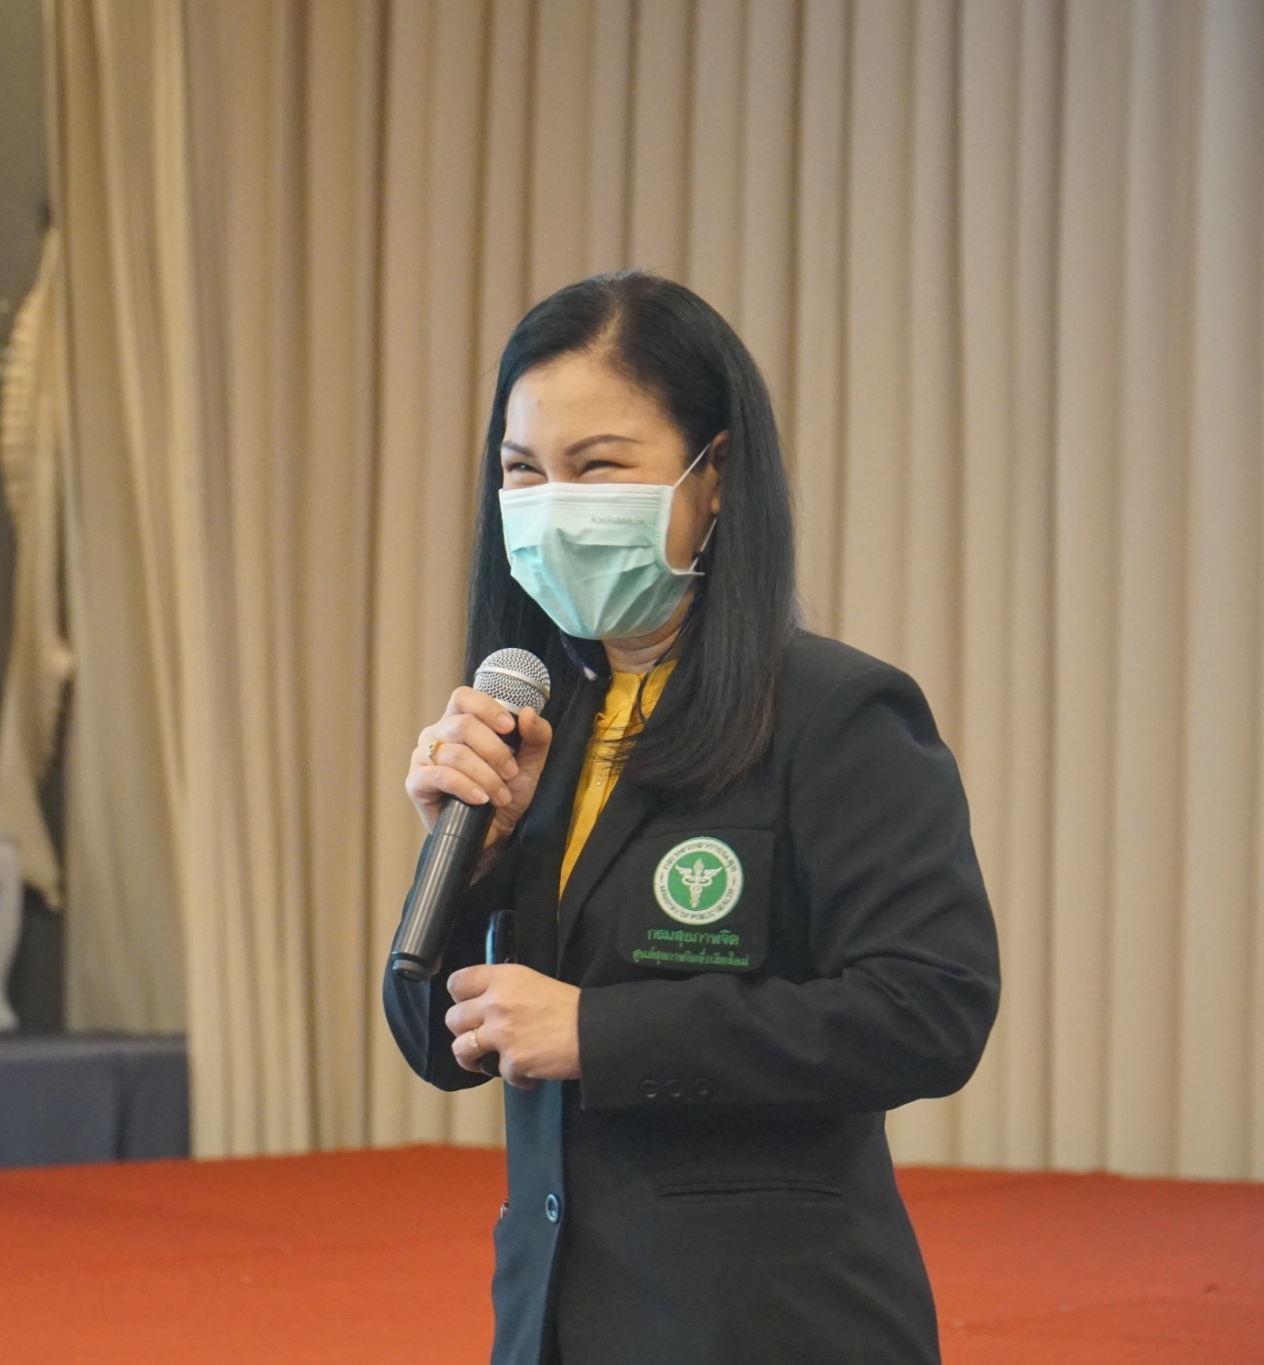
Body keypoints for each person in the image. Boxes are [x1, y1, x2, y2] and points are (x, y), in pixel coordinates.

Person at [383, 271, 1000, 1365]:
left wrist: (601, 1033)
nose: (553, 505)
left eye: (597, 467)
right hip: (556, 1322)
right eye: (522, 471)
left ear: (712, 476)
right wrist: (470, 860)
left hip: (769, 1324)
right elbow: (443, 1043)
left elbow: (926, 1009)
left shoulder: (834, 712)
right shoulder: (539, 720)